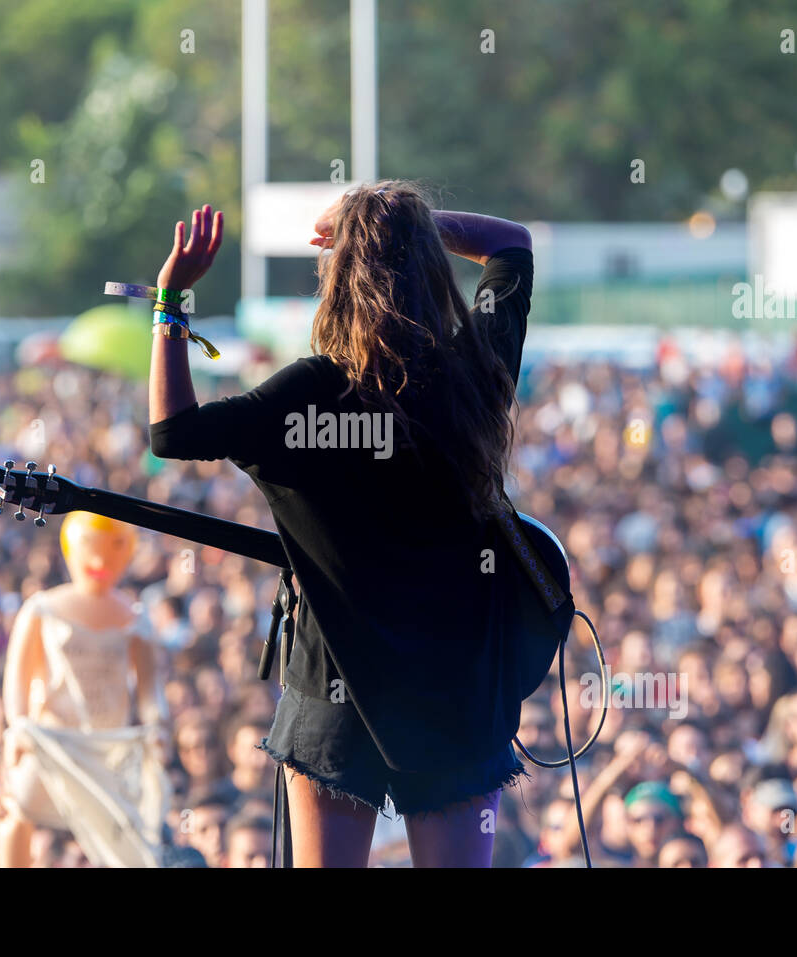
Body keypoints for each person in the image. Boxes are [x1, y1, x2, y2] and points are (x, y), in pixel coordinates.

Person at [148, 182, 535, 867]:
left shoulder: (303, 395)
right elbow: (511, 243)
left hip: (334, 692)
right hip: (453, 694)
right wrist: (400, 225)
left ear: (337, 280)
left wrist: (170, 300)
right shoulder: (476, 372)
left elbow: (172, 432)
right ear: (430, 267)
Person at [0, 511, 169, 867]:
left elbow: (149, 688)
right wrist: (16, 726)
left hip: (108, 747)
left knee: (122, 834)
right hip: (50, 739)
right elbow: (16, 677)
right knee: (21, 807)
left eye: (113, 549)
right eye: (91, 548)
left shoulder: (135, 618)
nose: (99, 561)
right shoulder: (43, 608)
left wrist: (157, 726)